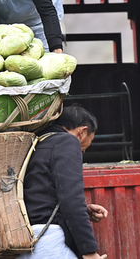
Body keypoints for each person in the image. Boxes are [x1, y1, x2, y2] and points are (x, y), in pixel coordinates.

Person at [19, 105, 107, 259]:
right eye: (86, 145)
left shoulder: (35, 143)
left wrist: (85, 210)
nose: (83, 151)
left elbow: (41, 194)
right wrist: (89, 251)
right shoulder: (68, 141)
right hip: (49, 241)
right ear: (82, 131)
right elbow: (72, 199)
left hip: (25, 240)